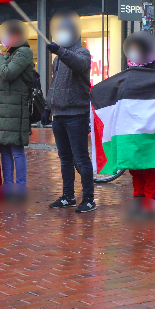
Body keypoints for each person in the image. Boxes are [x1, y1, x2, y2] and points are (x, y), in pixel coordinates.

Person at [45, 13, 96, 213]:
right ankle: (68, 196)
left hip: (76, 115)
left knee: (81, 158)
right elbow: (54, 83)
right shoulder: (58, 59)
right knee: (65, 158)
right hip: (59, 115)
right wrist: (48, 108)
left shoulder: (82, 53)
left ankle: (89, 199)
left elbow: (78, 63)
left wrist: (60, 52)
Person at [121, 30, 155, 217]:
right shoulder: (130, 68)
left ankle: (150, 201)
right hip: (132, 122)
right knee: (135, 163)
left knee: (149, 163)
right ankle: (138, 197)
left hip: (151, 124)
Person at [0, 20, 34, 201]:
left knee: (16, 150)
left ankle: (21, 188)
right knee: (5, 150)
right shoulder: (8, 54)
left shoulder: (24, 53)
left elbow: (8, 72)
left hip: (16, 110)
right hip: (4, 110)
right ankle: (8, 187)